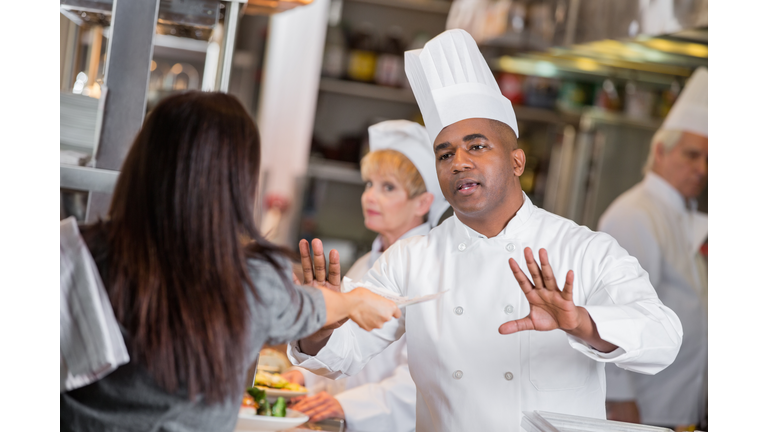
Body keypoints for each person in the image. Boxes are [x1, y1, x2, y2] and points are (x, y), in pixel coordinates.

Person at [287, 29, 683, 432]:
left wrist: (580, 322)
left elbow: (664, 339)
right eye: (445, 154)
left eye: (476, 146)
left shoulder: (584, 249)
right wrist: (322, 321)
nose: (458, 162)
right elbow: (341, 356)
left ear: (516, 161)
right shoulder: (411, 260)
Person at [59, 91, 401, 432]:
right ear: (237, 182)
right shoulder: (250, 280)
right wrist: (353, 302)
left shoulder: (72, 250)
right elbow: (311, 306)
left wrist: (346, 302)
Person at [283, 120, 450, 431]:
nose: (369, 197)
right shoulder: (365, 263)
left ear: (424, 202)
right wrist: (304, 375)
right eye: (369, 184)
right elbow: (346, 348)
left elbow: (425, 374)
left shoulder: (433, 271)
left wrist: (348, 406)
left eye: (387, 187)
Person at [598, 67, 708, 431]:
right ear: (660, 150)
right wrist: (619, 398)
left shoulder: (684, 214)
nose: (703, 169)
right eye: (692, 155)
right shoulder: (636, 215)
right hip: (646, 407)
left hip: (680, 406)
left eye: (709, 159)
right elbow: (616, 315)